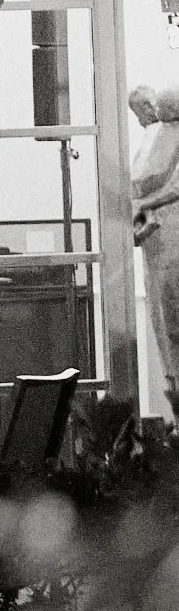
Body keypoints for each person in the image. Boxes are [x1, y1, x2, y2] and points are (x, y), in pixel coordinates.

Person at [129, 84, 179, 414]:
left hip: (169, 238)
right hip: (159, 240)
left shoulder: (167, 136)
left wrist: (144, 205)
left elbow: (165, 184)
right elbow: (141, 183)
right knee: (166, 328)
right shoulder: (157, 138)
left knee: (171, 325)